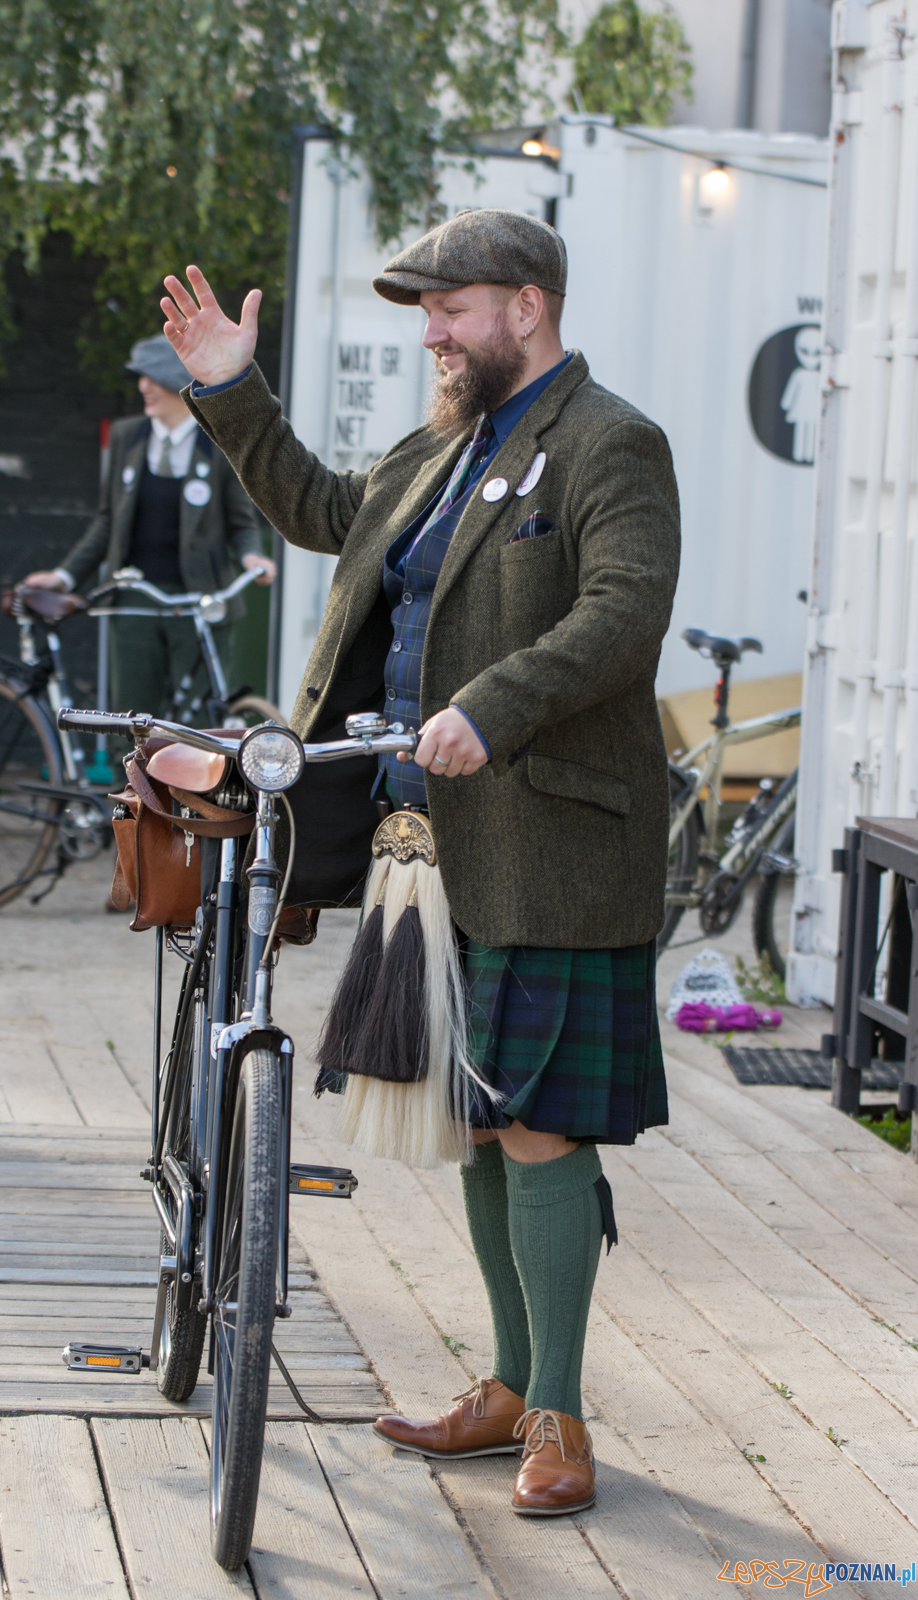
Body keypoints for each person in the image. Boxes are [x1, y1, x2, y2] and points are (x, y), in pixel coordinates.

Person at [160, 209, 680, 1517]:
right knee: (480, 1129)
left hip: (551, 840)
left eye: (448, 313)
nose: (433, 338)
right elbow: (325, 514)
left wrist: (491, 705)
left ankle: (557, 1417)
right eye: (425, 318)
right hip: (425, 850)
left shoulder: (609, 444)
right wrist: (229, 389)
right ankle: (506, 1387)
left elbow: (619, 615)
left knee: (538, 1127)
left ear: (524, 305)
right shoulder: (440, 448)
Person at [24, 334, 276, 719]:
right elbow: (108, 521)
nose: (143, 387)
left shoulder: (220, 443)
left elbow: (240, 522)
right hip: (135, 601)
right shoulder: (128, 437)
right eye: (142, 378)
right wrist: (64, 576)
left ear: (180, 383)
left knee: (201, 721)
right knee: (133, 719)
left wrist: (251, 557)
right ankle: (134, 781)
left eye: (153, 378)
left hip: (198, 602)